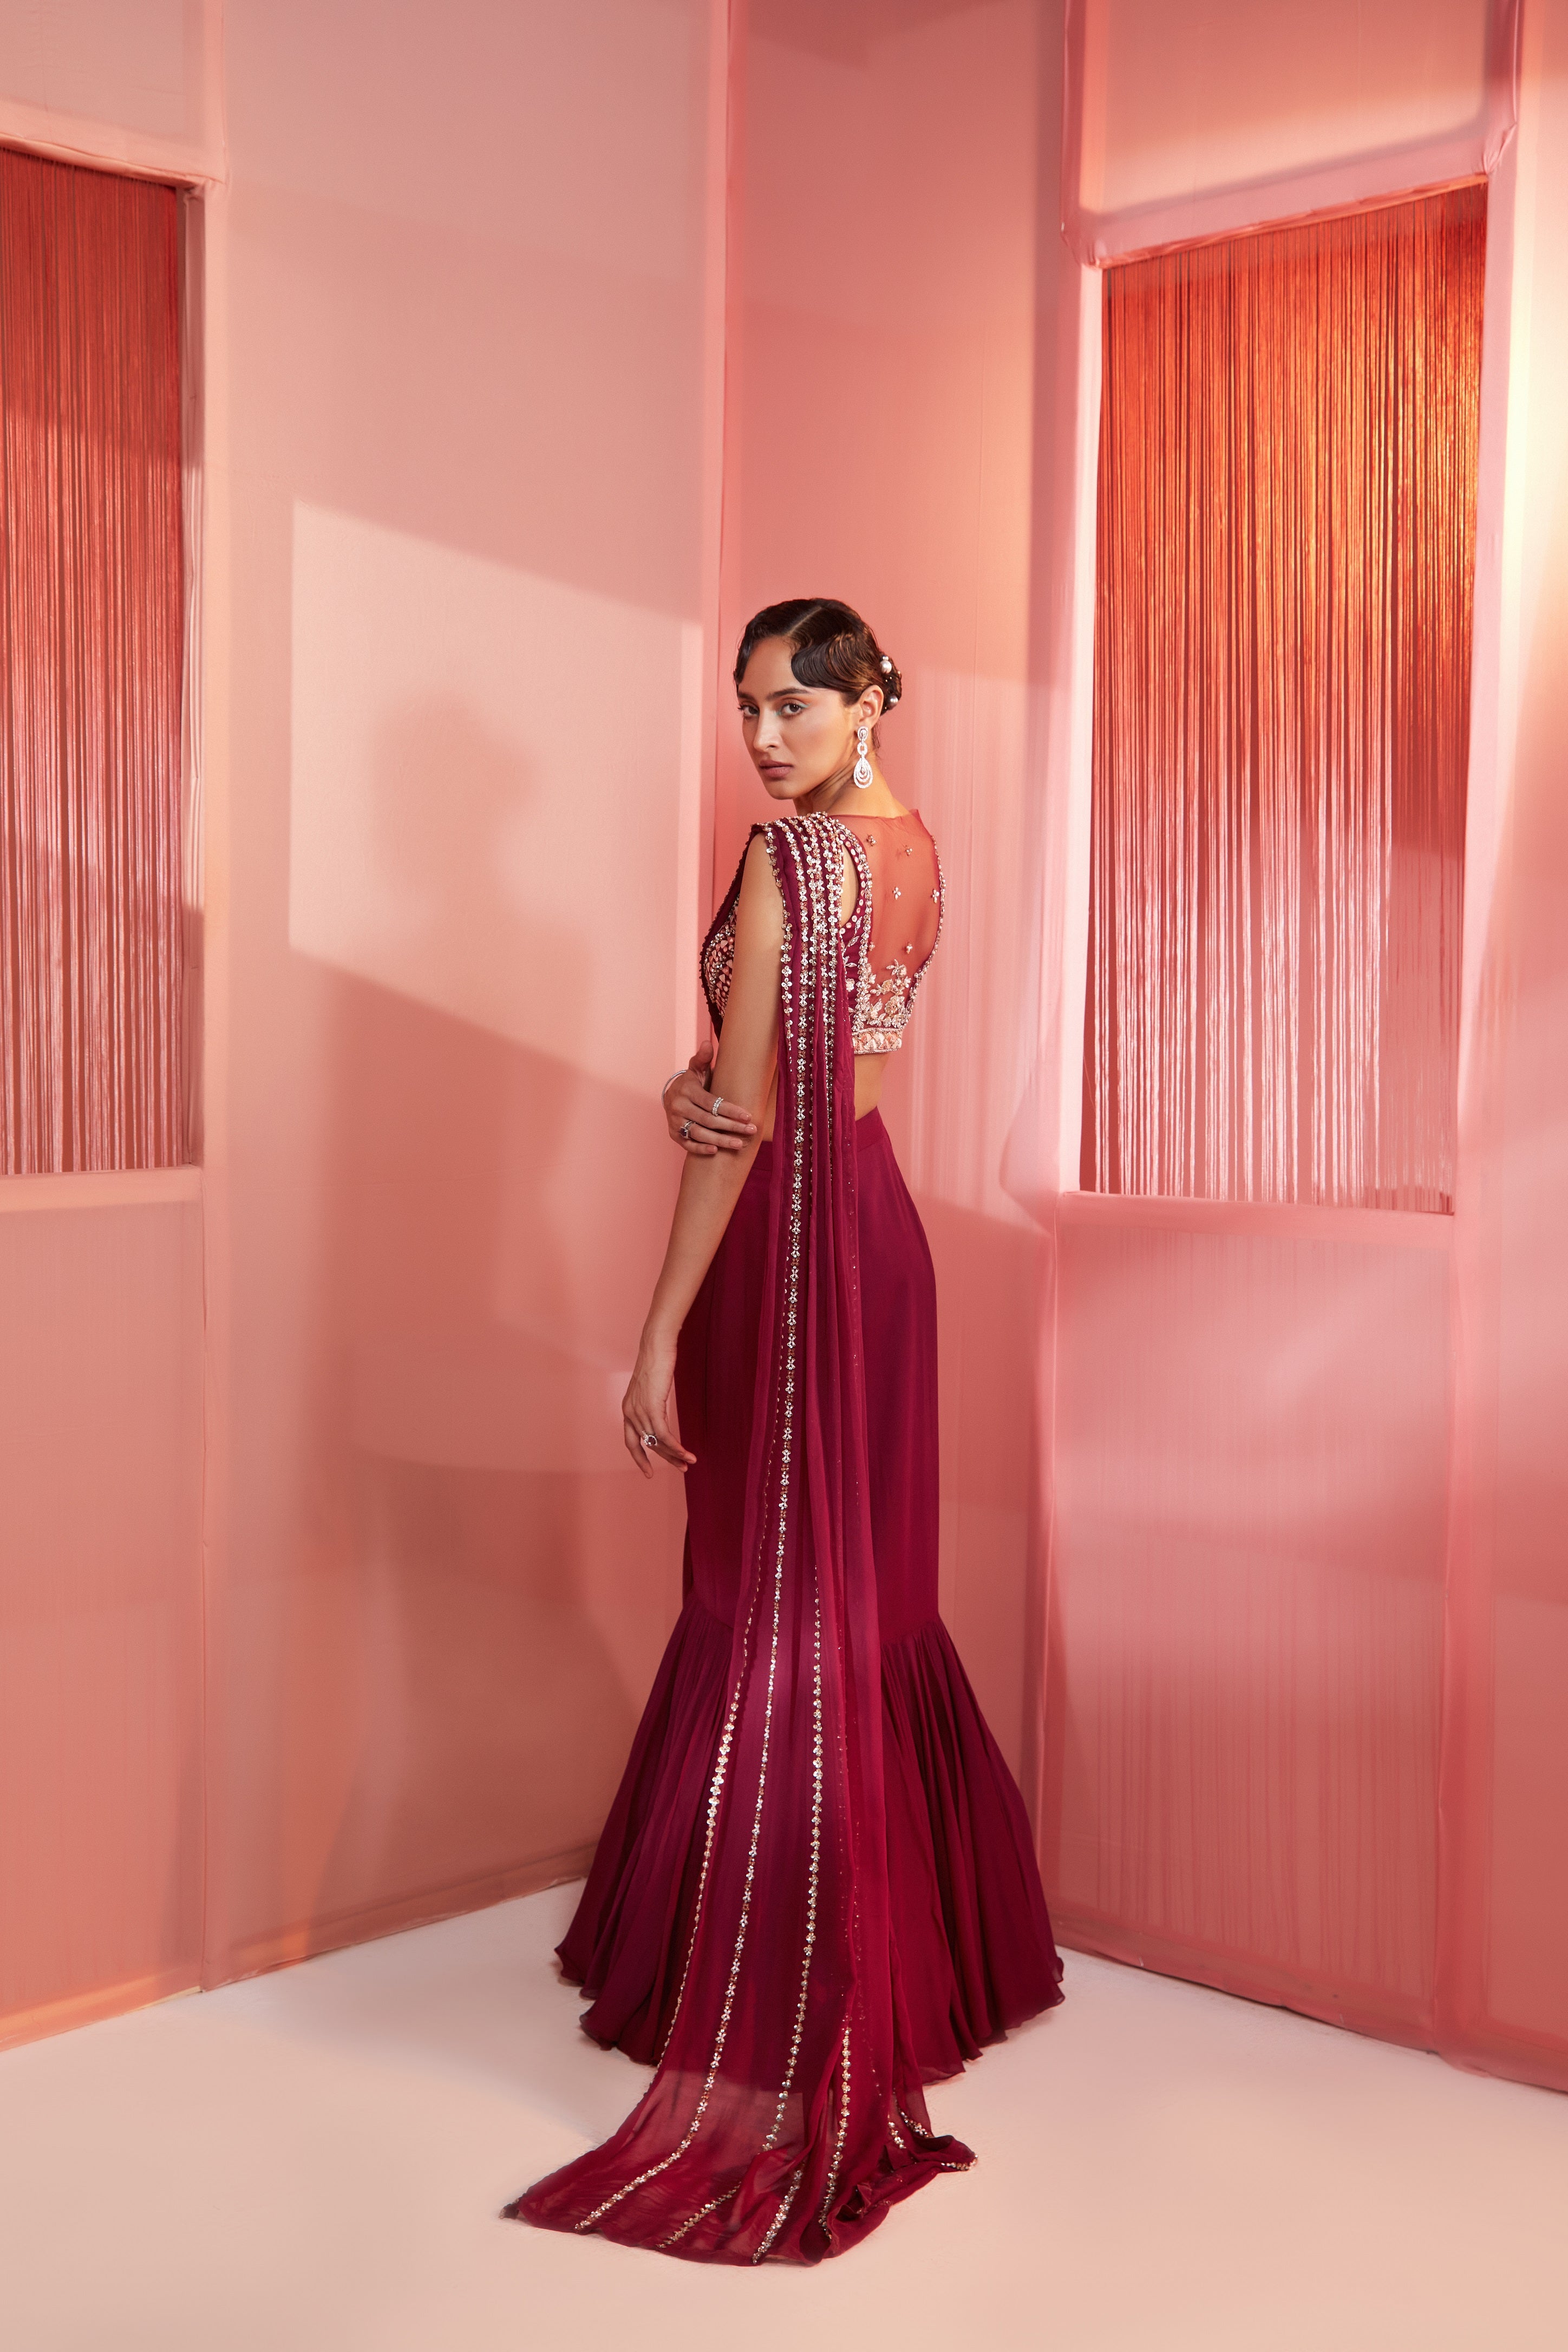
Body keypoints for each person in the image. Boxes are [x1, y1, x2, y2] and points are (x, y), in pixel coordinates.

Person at [506, 599, 1061, 2264]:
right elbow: (796, 1065)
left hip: (793, 1249)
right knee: (865, 1605)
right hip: (883, 1235)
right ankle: (930, 1964)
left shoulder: (789, 859)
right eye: (748, 707)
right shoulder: (912, 847)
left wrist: (655, 1331)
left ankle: (766, 1969)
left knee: (765, 1599)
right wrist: (694, 1086)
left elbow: (739, 1124)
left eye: (796, 708)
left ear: (871, 697)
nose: (763, 738)